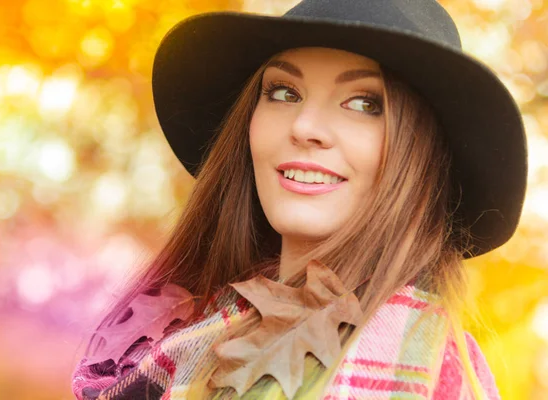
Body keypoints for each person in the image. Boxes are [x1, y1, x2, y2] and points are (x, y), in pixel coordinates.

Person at [71, 0, 527, 398]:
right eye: (284, 92)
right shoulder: (187, 340)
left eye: (364, 103)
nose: (304, 125)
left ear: (421, 157)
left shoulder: (404, 368)